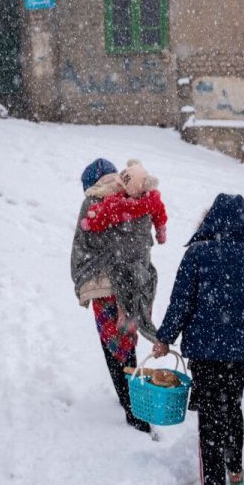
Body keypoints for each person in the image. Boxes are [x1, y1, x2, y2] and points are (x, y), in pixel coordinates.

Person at [153, 193, 244, 485]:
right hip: (240, 350)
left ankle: (213, 479)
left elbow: (180, 302)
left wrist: (165, 338)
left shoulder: (197, 254)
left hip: (204, 350)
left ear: (209, 221)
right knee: (232, 406)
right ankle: (235, 468)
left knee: (210, 414)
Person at [70, 158, 166, 435]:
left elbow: (83, 242)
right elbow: (145, 238)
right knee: (127, 339)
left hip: (105, 285)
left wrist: (85, 278)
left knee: (114, 344)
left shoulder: (94, 202)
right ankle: (131, 397)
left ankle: (133, 408)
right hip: (135, 281)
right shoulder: (138, 194)